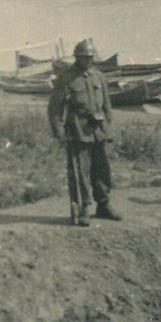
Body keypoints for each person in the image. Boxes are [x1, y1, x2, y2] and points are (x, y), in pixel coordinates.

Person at [48, 38, 119, 226]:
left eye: (90, 57)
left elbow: (107, 106)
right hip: (78, 131)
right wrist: (59, 133)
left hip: (98, 131)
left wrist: (108, 128)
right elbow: (54, 109)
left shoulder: (99, 77)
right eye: (83, 57)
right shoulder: (66, 78)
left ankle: (103, 205)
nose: (87, 60)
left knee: (102, 171)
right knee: (81, 173)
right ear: (77, 57)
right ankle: (83, 208)